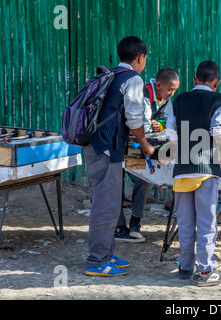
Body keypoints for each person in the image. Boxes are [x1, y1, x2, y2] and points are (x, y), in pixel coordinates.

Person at [84, 36, 155, 277]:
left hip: (97, 148)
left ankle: (106, 254)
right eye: (145, 58)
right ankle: (97, 261)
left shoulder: (112, 75)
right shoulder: (133, 79)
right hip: (105, 150)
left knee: (109, 205)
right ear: (140, 57)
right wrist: (145, 144)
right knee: (105, 207)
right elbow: (134, 119)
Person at [165, 60, 221, 286]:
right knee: (206, 223)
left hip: (181, 170)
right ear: (217, 83)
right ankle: (205, 271)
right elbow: (217, 131)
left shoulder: (179, 100)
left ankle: (185, 266)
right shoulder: (219, 100)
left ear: (194, 80)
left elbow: (171, 137)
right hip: (205, 170)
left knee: (184, 222)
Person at [115, 68, 180, 243]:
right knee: (116, 184)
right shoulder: (144, 93)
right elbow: (142, 124)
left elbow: (170, 123)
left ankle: (135, 221)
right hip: (121, 145)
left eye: (174, 91)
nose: (172, 94)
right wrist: (156, 126)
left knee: (142, 179)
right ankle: (118, 226)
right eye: (169, 90)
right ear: (158, 85)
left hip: (140, 146)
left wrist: (159, 123)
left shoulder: (165, 99)